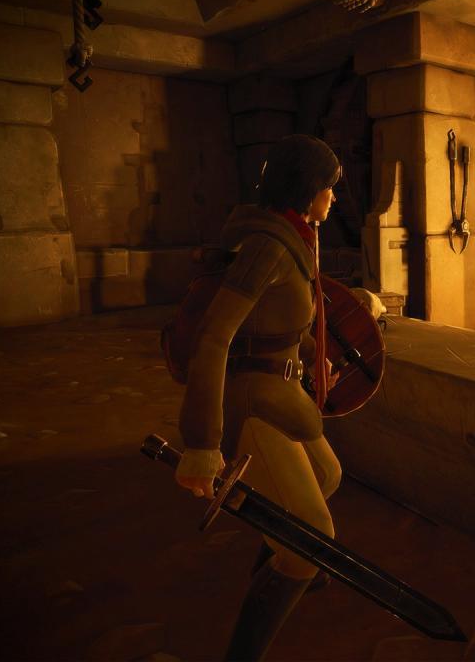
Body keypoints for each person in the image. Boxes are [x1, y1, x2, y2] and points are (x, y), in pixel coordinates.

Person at [174, 134, 342, 661]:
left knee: (327, 476)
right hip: (253, 401)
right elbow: (215, 336)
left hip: (284, 391)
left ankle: (284, 564)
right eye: (329, 186)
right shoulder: (266, 246)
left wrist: (315, 354)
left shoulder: (291, 239)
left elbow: (278, 321)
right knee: (313, 538)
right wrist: (202, 443)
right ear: (308, 188)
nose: (334, 197)